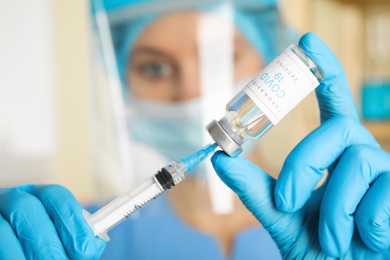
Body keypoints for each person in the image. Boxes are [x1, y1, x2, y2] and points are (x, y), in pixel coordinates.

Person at [1, 1, 390, 260]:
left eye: (221, 57)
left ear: (269, 52)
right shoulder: (71, 234)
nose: (192, 90)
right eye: (155, 68)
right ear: (122, 81)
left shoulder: (342, 220)